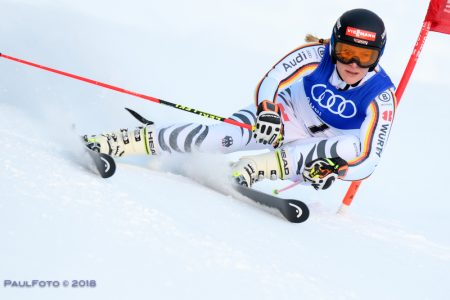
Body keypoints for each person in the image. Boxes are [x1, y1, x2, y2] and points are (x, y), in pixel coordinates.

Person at [85, 8, 396, 191]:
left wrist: (335, 170)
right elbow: (272, 79)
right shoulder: (318, 54)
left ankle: (255, 168)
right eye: (346, 52)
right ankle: (123, 141)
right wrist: (268, 112)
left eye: (365, 56)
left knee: (348, 147)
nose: (353, 64)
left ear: (378, 56)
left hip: (318, 146)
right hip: (286, 115)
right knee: (223, 138)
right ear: (335, 45)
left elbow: (370, 161)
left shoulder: (380, 95)